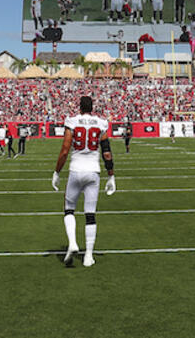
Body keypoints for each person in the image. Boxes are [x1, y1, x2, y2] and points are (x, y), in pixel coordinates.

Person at [52, 95, 115, 268]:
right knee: (90, 215)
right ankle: (88, 255)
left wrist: (57, 172)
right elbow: (107, 153)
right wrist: (111, 175)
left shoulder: (72, 121)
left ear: (79, 107)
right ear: (92, 108)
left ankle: (72, 242)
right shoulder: (101, 123)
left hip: (76, 170)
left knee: (69, 210)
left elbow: (65, 151)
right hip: (93, 171)